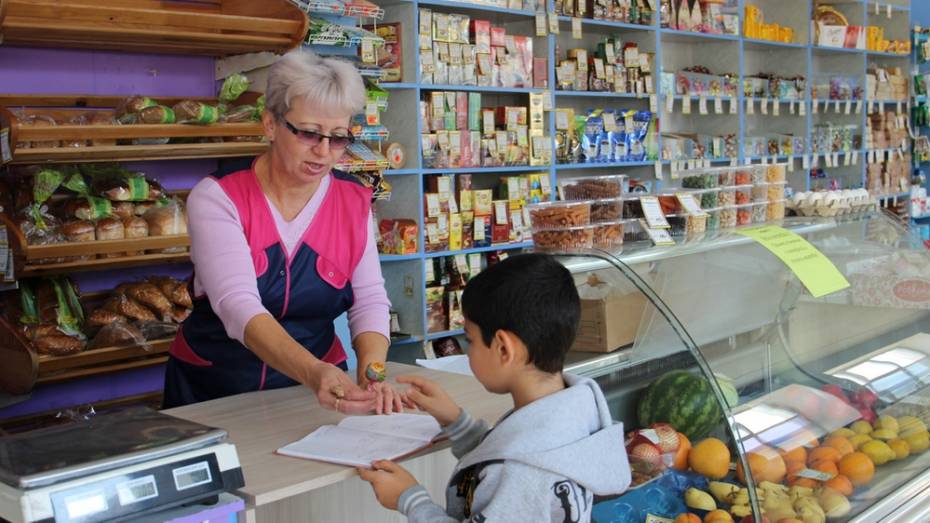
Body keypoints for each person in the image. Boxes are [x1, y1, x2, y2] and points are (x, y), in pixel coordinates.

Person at [163, 50, 402, 415]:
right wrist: (313, 372)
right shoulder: (219, 197)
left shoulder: (354, 200)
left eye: (338, 138)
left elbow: (368, 299)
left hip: (317, 393)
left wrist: (373, 374)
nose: (323, 152)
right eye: (309, 133)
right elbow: (237, 305)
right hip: (218, 389)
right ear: (271, 124)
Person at [360, 253, 631, 522]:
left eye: (471, 340)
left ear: (503, 348)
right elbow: (502, 458)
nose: (468, 352)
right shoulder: (571, 408)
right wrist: (457, 422)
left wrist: (410, 499)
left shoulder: (521, 473)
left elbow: (509, 469)